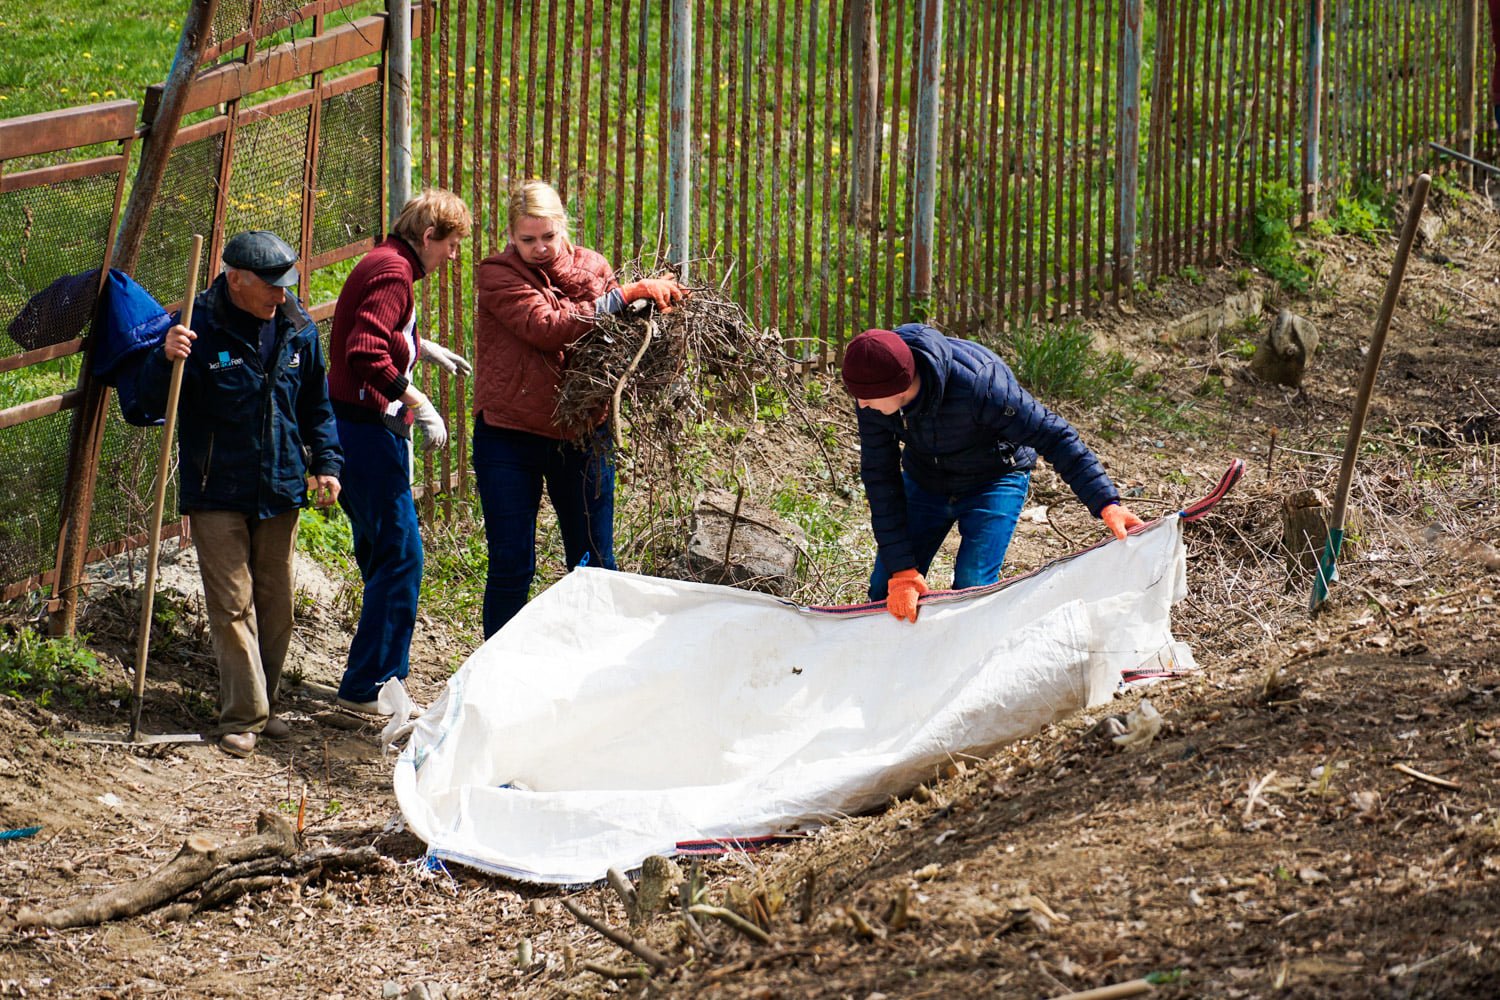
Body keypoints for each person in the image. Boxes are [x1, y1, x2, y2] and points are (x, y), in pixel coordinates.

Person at [134, 231, 343, 756]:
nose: (281, 296)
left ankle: (263, 701)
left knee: (277, 605)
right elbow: (144, 404)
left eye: (284, 286)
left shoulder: (298, 328)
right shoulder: (194, 326)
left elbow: (317, 407)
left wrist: (326, 464)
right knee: (232, 604)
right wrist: (164, 359)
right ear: (236, 280)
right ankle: (243, 715)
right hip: (215, 488)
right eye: (270, 287)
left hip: (281, 486)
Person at [472, 179, 687, 637]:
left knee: (593, 563)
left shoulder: (592, 266)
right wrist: (622, 296)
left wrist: (642, 308)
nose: (539, 248)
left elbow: (617, 333)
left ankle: (592, 669)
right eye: (527, 239)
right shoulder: (497, 274)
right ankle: (497, 678)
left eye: (548, 237)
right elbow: (547, 328)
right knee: (512, 565)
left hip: (583, 434)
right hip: (511, 436)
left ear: (563, 229)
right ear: (510, 235)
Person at [842, 324, 1144, 624]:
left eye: (867, 397)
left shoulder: (982, 385)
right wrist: (903, 570)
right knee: (886, 589)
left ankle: (967, 660)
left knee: (972, 585)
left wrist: (1107, 502)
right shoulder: (873, 388)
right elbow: (880, 477)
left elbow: (1054, 435)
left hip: (994, 478)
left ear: (901, 385)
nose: (861, 404)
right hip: (926, 479)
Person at [326, 189, 473, 715]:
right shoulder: (392, 272)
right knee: (401, 558)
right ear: (429, 236)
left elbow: (376, 334)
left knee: (383, 553)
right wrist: (417, 398)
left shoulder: (385, 262)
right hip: (365, 432)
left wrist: (415, 348)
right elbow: (362, 351)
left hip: (355, 427)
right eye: (452, 245)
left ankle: (371, 676)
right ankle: (371, 686)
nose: (453, 257)